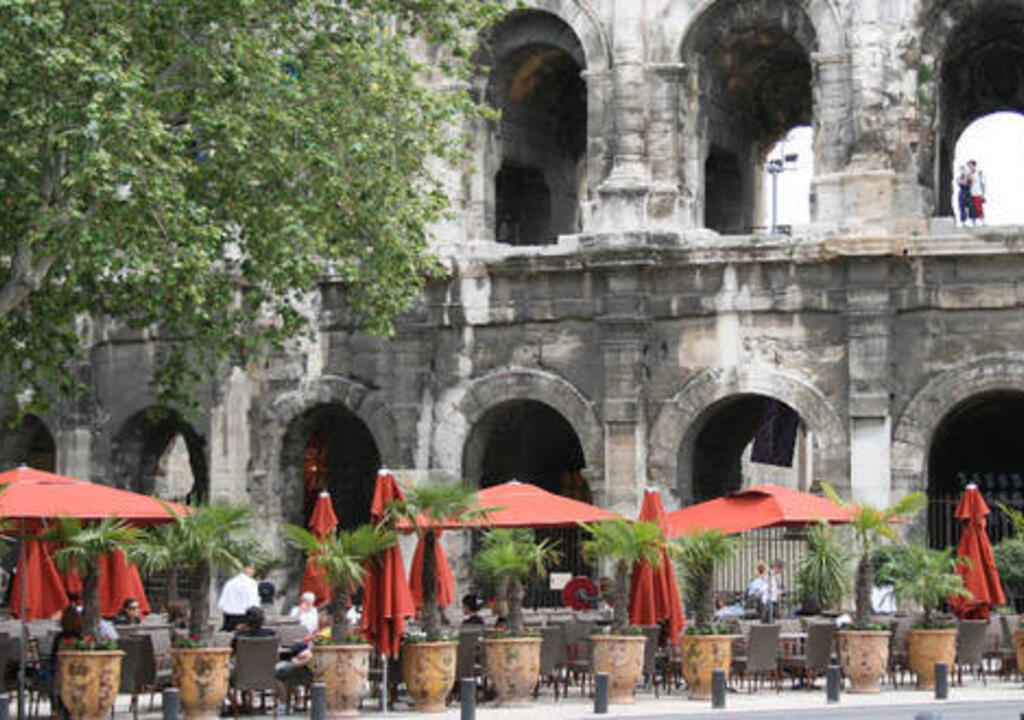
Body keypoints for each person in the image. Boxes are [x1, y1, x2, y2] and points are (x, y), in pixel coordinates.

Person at [218, 563, 260, 631]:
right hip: (245, 617)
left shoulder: (230, 583)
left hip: (229, 617)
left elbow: (222, 603)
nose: (254, 571)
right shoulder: (251, 583)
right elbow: (254, 603)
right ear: (246, 569)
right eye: (252, 568)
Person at [968, 159, 985, 226]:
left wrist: (983, 194)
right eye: (969, 166)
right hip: (971, 193)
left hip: (978, 193)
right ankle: (973, 222)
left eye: (971, 166)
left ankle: (982, 221)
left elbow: (982, 184)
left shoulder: (979, 174)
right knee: (972, 208)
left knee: (979, 207)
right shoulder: (968, 175)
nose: (970, 167)